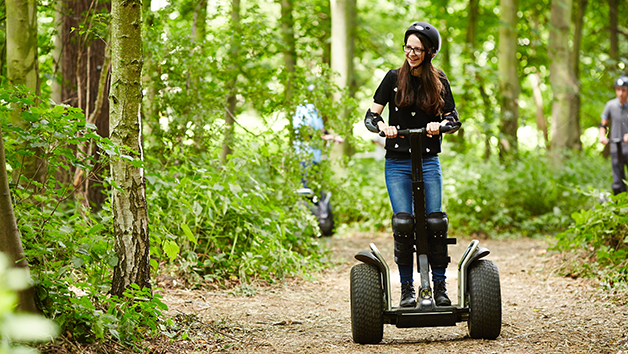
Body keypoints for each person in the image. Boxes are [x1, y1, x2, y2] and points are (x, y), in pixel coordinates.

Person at [364, 21, 460, 307]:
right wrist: (383, 127)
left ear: (429, 52)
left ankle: (439, 286)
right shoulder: (393, 79)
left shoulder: (439, 80)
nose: (412, 53)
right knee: (404, 223)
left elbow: (453, 119)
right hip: (397, 162)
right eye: (408, 47)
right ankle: (407, 288)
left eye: (418, 49)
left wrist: (440, 125)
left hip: (428, 160)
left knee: (434, 222)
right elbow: (370, 116)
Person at [599, 75, 628, 195]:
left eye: (624, 90)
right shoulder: (610, 105)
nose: (620, 93)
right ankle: (619, 208)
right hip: (615, 147)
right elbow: (602, 124)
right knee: (617, 181)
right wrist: (601, 136)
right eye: (618, 89)